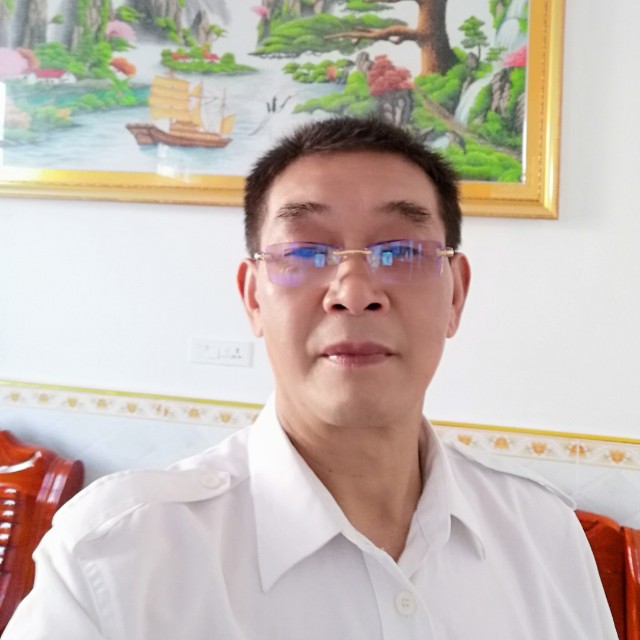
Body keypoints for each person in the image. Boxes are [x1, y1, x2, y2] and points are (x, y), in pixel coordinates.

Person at [3, 117, 617, 639]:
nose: (354, 292)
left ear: (455, 294)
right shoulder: (119, 558)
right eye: (304, 253)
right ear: (253, 298)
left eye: (402, 252)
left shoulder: (545, 537)